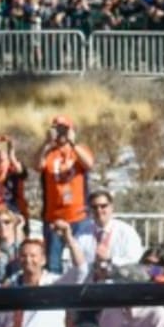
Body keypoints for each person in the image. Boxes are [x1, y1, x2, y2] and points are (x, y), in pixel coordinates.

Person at [36, 115, 95, 273]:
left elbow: (89, 163)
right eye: (57, 129)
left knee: (83, 260)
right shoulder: (48, 152)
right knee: (53, 264)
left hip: (79, 217)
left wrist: (73, 143)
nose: (61, 133)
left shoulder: (79, 150)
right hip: (53, 218)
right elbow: (36, 165)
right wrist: (46, 143)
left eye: (64, 129)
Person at [73, 188, 144, 271]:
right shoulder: (83, 232)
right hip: (90, 281)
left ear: (111, 207)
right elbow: (75, 264)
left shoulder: (126, 232)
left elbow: (135, 260)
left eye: (103, 206)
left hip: (118, 281)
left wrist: (110, 259)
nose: (99, 210)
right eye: (94, 207)